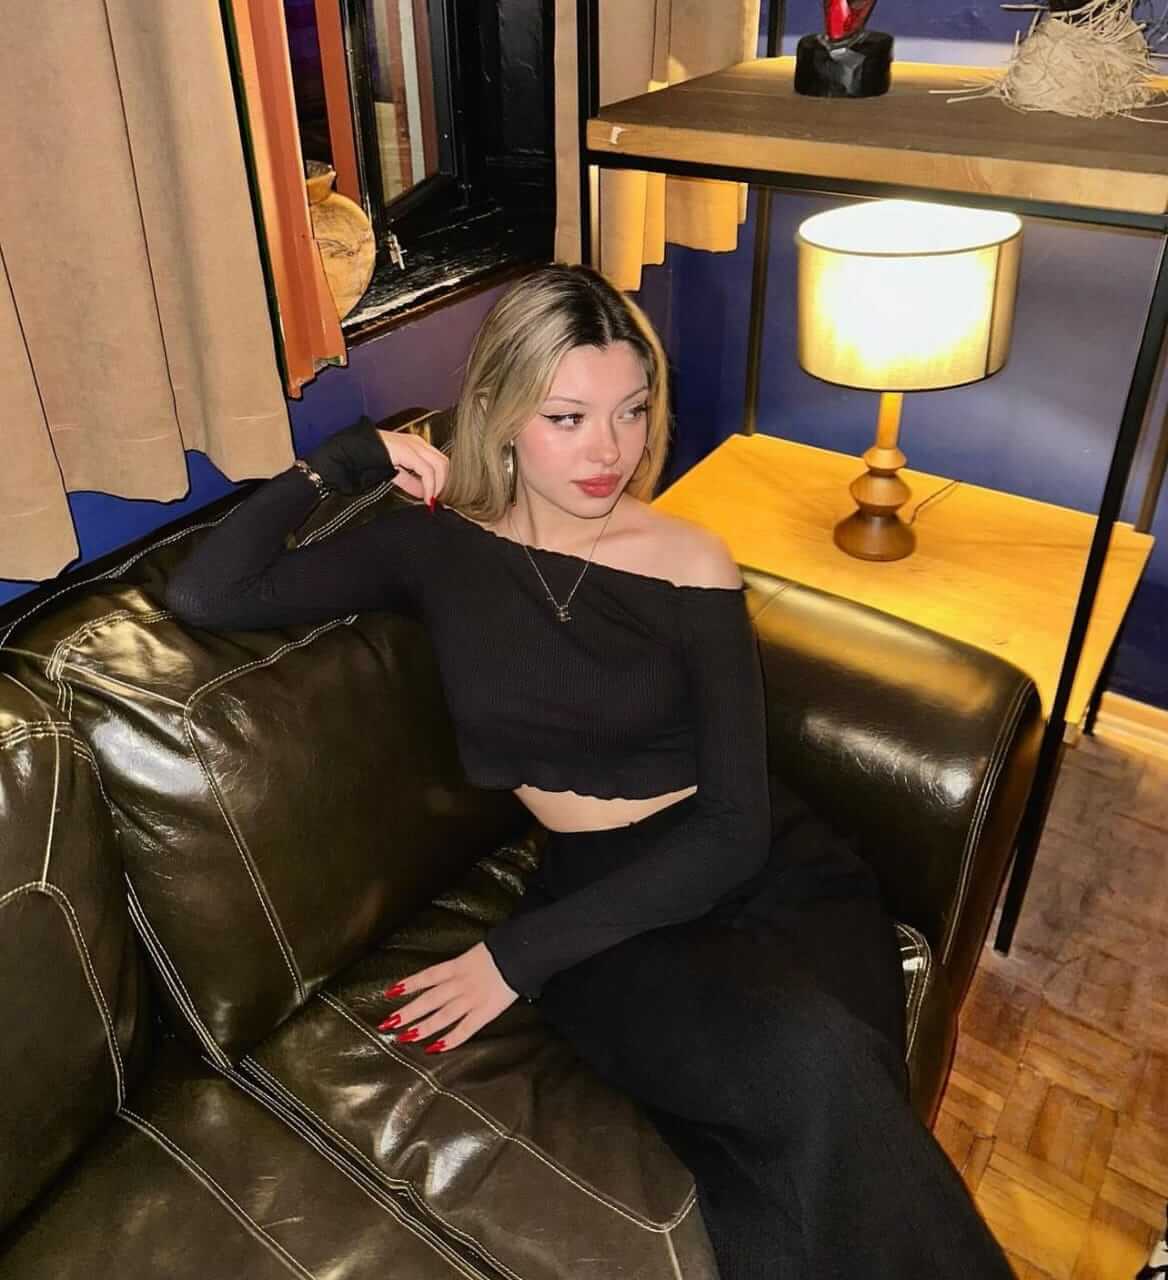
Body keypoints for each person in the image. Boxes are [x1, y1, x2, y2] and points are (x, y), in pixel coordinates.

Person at [163, 263, 1013, 1278]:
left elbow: (734, 826)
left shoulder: (689, 557)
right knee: (815, 1067)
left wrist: (511, 957)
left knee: (827, 1102)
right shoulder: (432, 549)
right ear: (498, 409)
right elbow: (209, 594)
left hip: (766, 870)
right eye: (567, 417)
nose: (610, 450)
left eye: (631, 411)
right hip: (603, 903)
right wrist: (342, 461)